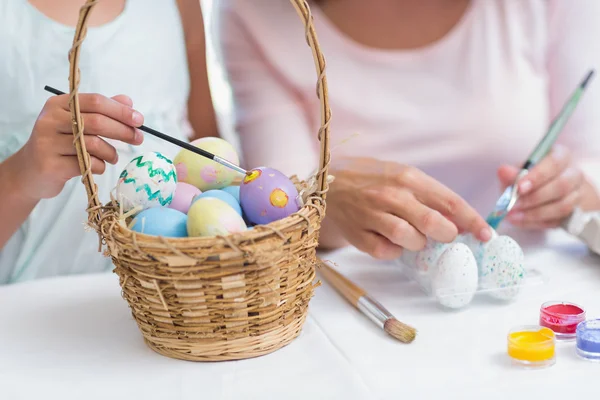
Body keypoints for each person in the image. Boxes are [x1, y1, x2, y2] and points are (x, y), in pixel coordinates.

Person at [213, 0, 600, 260]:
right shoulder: (254, 13)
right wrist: (329, 199)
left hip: (535, 283)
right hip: (357, 303)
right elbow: (278, 205)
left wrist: (574, 188)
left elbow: (590, 161)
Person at [0, 0, 218, 284]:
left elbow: (212, 167)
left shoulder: (178, 6)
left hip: (170, 302)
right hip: (24, 312)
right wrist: (19, 178)